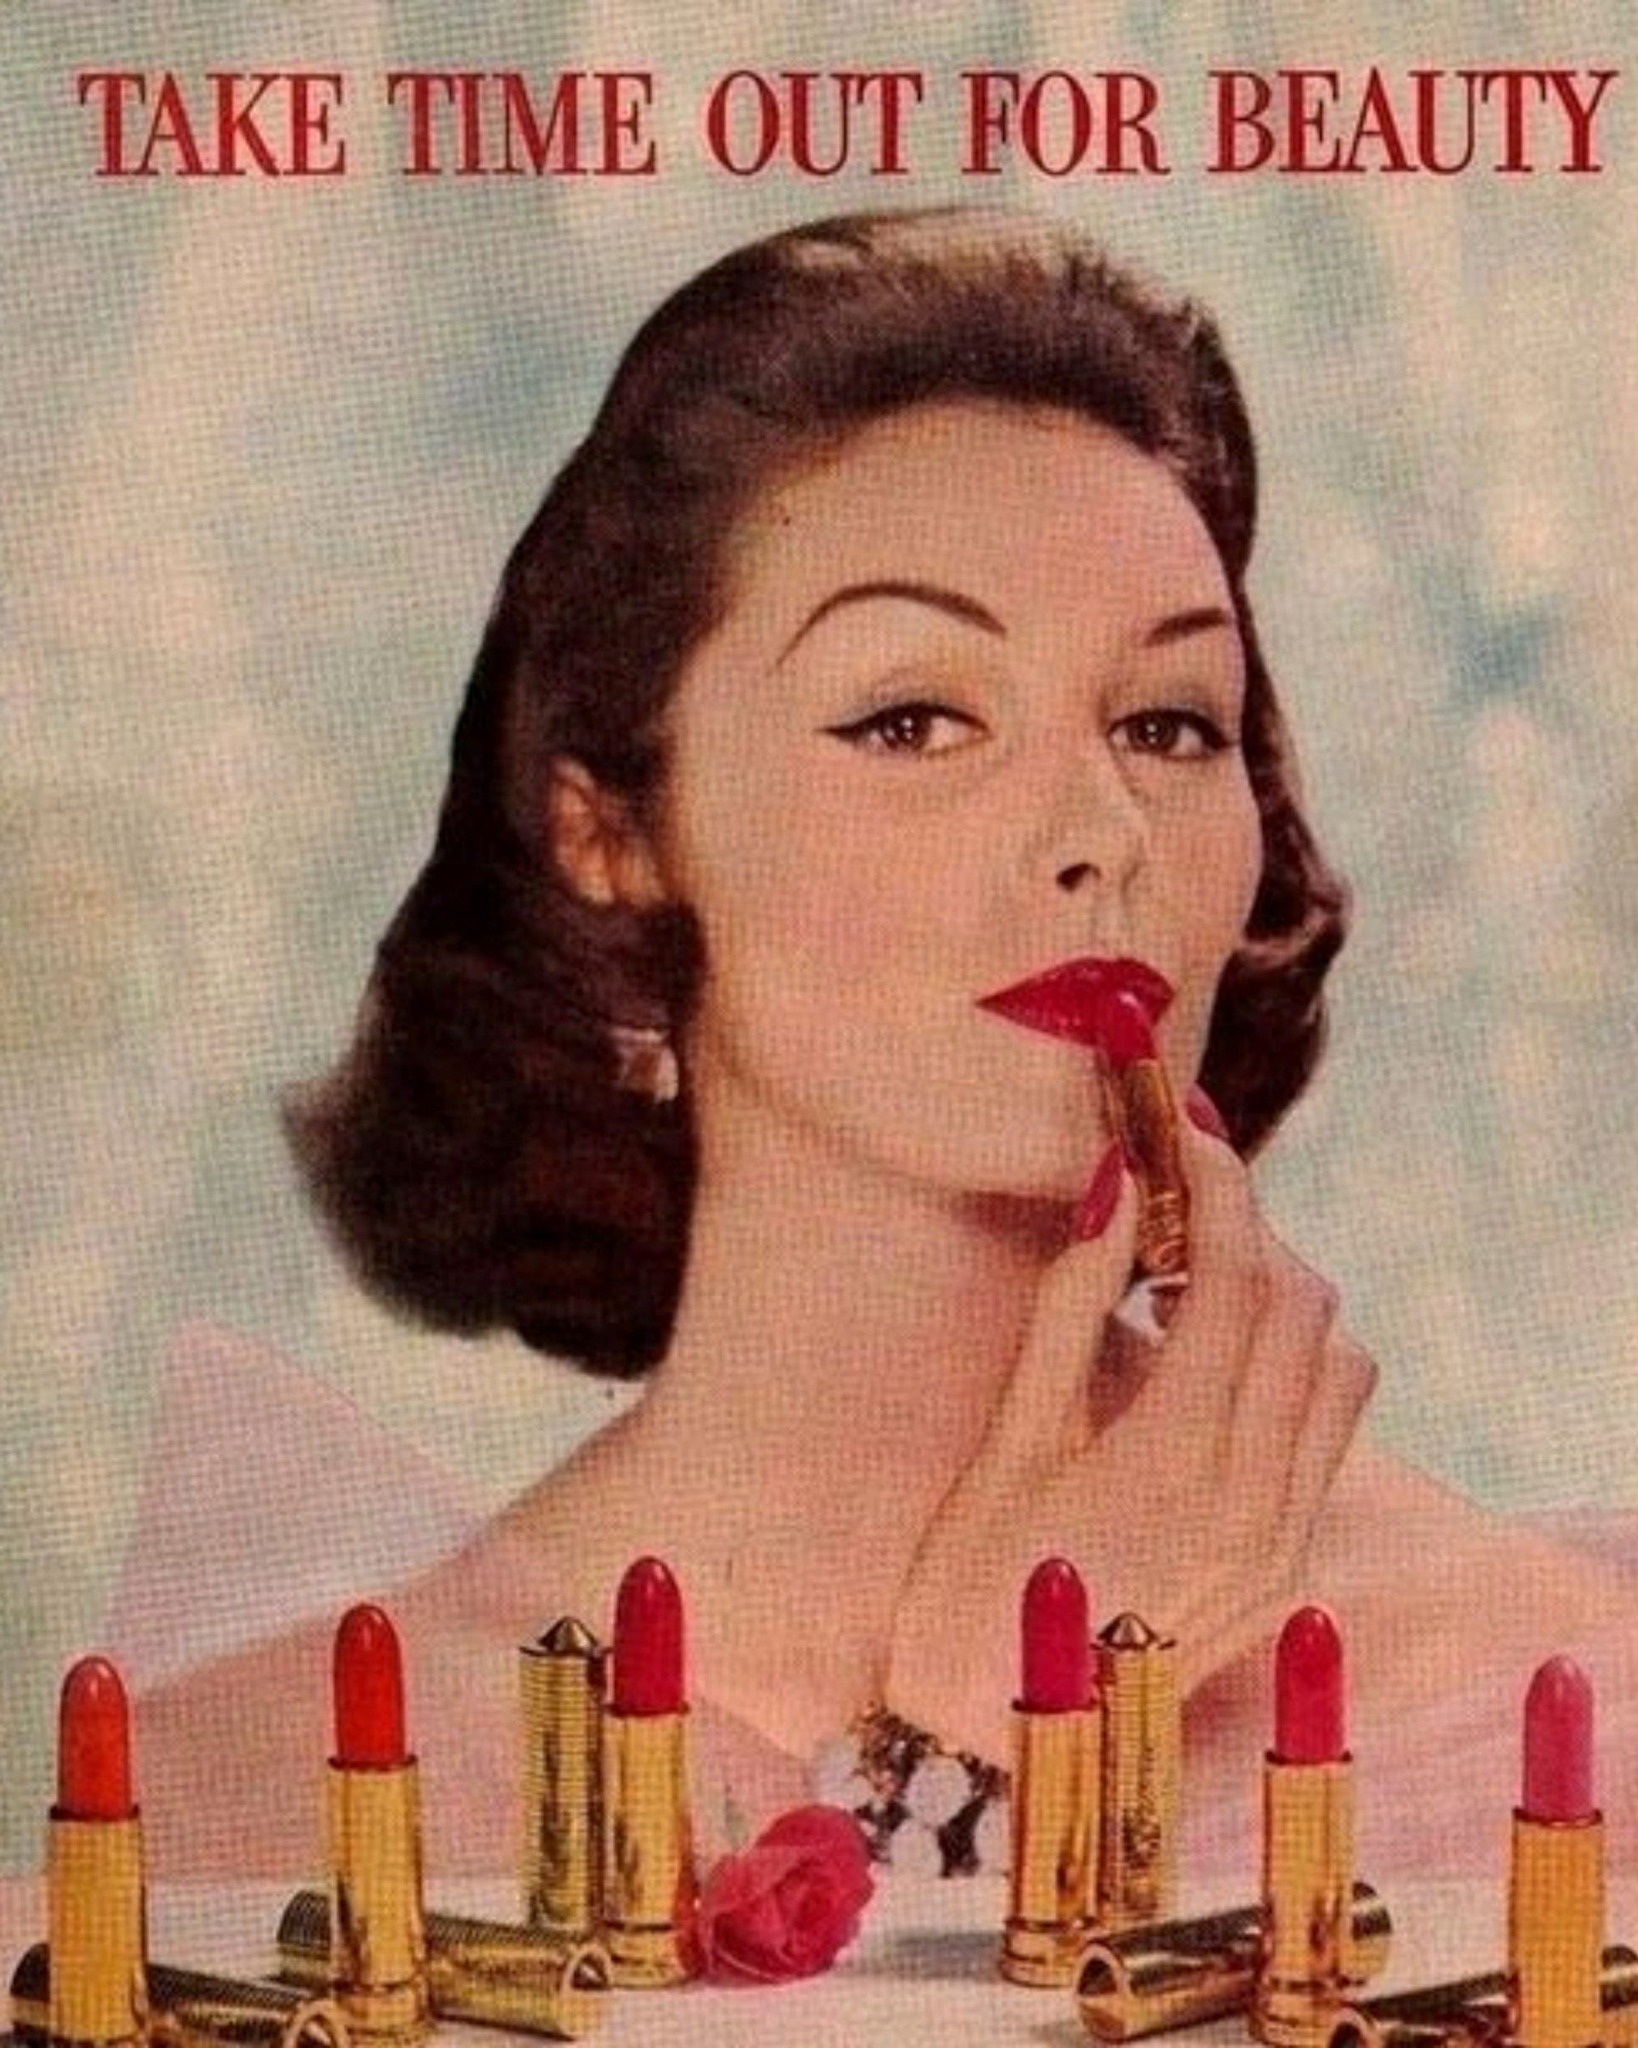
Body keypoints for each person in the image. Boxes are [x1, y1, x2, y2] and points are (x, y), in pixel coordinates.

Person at [135, 209, 1638, 1883]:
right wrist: (970, 1749)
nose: (1100, 833)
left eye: (1165, 725)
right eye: (913, 719)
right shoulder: (270, 1774)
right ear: (609, 832)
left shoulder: (1551, 1698)